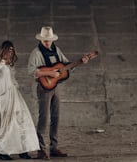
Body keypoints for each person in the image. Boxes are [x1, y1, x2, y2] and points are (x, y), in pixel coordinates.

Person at [27, 26, 90, 160]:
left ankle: (53, 148)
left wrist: (80, 62)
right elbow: (31, 71)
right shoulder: (36, 53)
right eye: (45, 40)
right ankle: (41, 150)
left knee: (56, 117)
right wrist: (49, 73)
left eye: (48, 40)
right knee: (43, 118)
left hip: (56, 87)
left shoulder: (57, 50)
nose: (47, 42)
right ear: (41, 39)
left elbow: (66, 65)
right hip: (44, 89)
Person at [0, 40, 40, 160]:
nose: (11, 53)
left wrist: (16, 87)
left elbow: (12, 78)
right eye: (9, 50)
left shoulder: (10, 62)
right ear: (3, 49)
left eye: (12, 50)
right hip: (4, 95)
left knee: (22, 119)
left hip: (14, 93)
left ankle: (23, 150)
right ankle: (2, 151)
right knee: (8, 122)